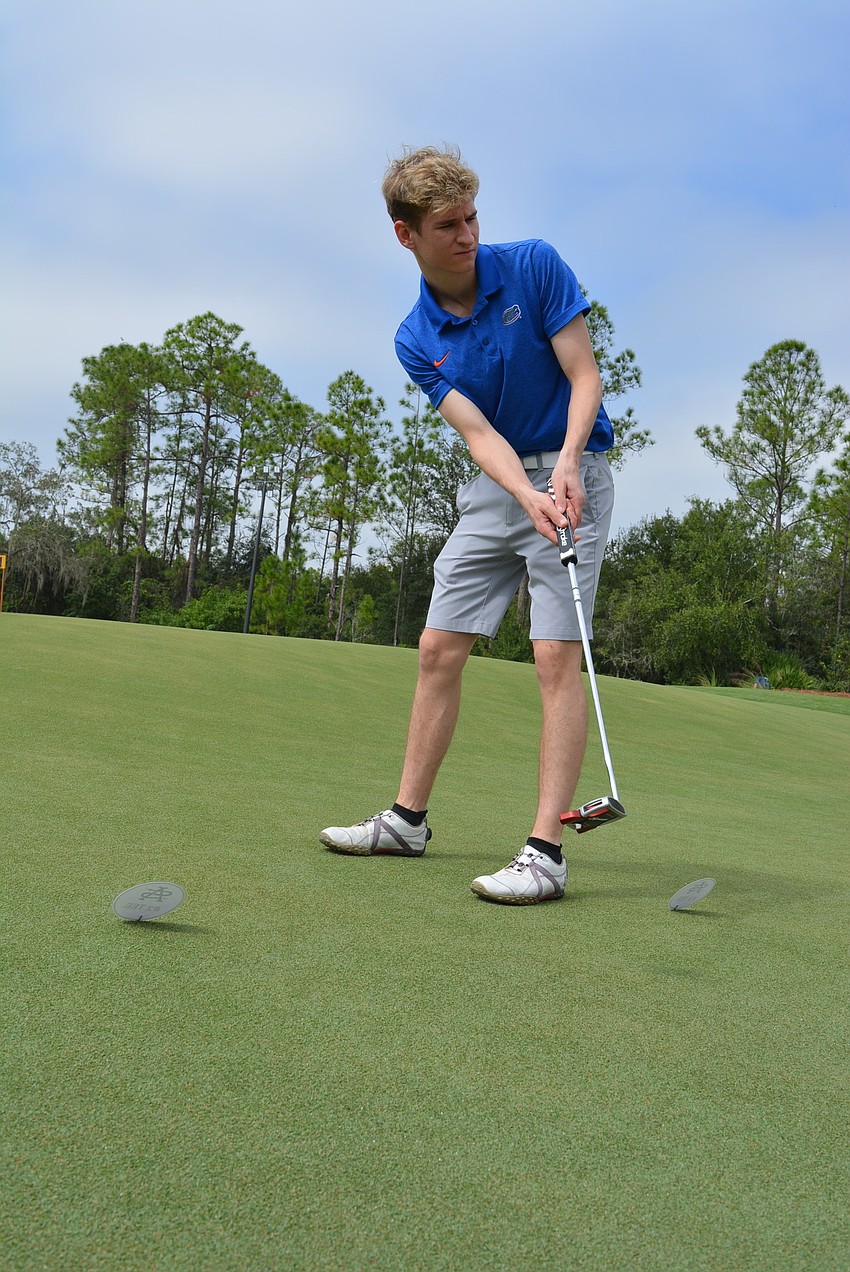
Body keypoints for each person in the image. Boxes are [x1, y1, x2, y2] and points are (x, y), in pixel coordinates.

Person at [320, 144, 615, 904]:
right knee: (438, 646)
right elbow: (479, 435)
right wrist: (524, 494)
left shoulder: (535, 265)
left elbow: (584, 373)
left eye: (473, 217)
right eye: (448, 224)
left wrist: (570, 465)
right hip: (502, 486)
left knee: (555, 657)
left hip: (573, 470)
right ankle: (407, 821)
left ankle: (547, 854)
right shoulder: (415, 339)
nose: (467, 235)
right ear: (405, 235)